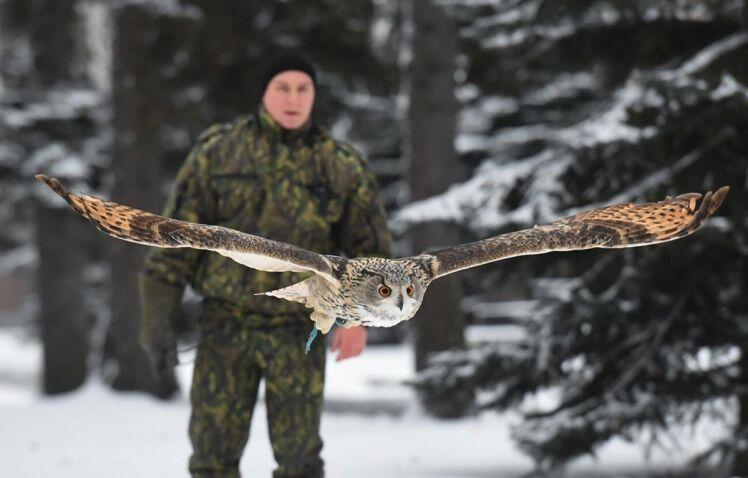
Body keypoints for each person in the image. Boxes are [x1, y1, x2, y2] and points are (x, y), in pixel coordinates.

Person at [137, 50, 392, 478]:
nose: (293, 98)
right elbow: (174, 239)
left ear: (313, 95)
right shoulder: (218, 152)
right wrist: (156, 317)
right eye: (283, 88)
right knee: (211, 459)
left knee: (300, 461)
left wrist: (357, 320)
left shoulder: (341, 165)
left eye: (303, 88)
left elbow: (370, 256)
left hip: (300, 329)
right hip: (225, 324)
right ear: (264, 93)